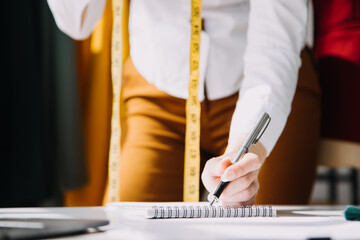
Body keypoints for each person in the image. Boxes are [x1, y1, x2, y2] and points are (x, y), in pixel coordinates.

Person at [47, 0, 320, 206]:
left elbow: (275, 44)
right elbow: (76, 22)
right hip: (156, 91)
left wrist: (244, 151)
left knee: (265, 228)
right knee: (131, 228)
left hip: (266, 87)